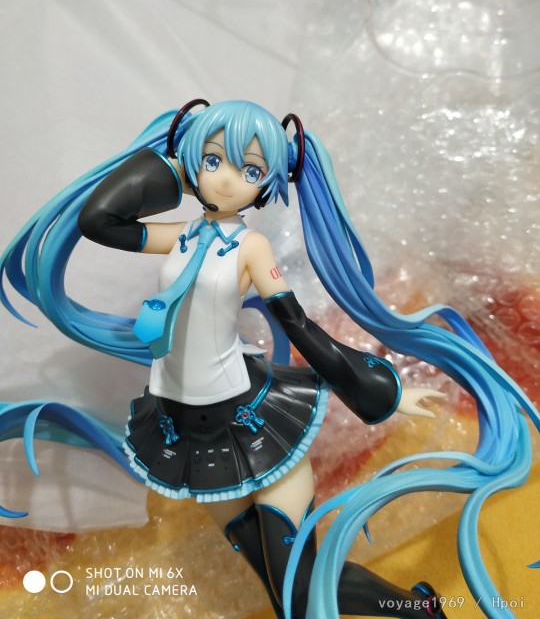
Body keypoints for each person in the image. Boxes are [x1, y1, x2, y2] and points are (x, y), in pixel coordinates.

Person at [1, 100, 538, 619]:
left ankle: (417, 608)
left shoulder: (251, 248)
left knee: (297, 596)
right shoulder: (180, 238)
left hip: (254, 424)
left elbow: (298, 324)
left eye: (250, 170)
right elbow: (100, 220)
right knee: (289, 591)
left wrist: (383, 391)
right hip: (187, 435)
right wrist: (175, 167)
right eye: (214, 160)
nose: (227, 180)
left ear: (267, 184)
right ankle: (419, 606)